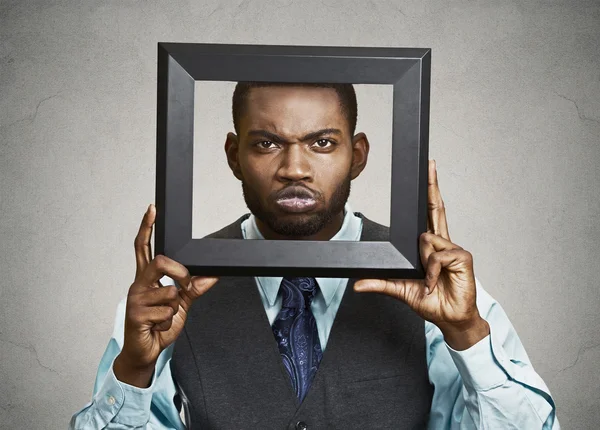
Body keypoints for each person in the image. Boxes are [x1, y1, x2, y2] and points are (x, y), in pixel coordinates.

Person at [70, 82, 559, 429]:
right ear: (233, 155)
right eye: (266, 144)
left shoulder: (431, 281)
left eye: (322, 143)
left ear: (359, 155)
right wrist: (134, 370)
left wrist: (467, 333)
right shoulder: (171, 289)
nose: (294, 168)